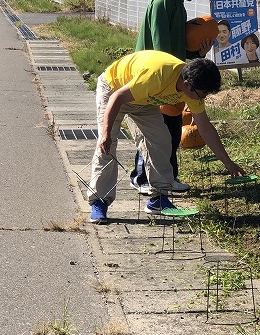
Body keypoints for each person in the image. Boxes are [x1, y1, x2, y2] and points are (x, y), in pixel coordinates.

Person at [87, 51, 245, 224]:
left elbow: (205, 128)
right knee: (107, 145)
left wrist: (228, 163)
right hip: (114, 90)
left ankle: (158, 199)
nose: (203, 98)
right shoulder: (157, 76)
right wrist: (105, 133)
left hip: (144, 100)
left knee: (161, 140)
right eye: (202, 95)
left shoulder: (192, 87)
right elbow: (117, 98)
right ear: (186, 84)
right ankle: (99, 201)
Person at [132, 0, 217, 195]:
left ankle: (156, 177)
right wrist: (175, 74)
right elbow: (161, 48)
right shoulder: (165, 0)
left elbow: (177, 42)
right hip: (158, 76)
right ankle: (150, 177)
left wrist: (196, 54)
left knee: (164, 130)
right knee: (161, 130)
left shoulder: (177, 3)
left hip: (170, 75)